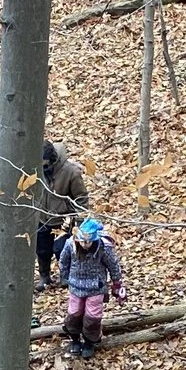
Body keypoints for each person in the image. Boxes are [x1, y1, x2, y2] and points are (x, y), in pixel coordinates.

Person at [57, 217, 125, 357]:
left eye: (89, 242)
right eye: (82, 241)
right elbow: (63, 261)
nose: (85, 244)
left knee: (93, 316)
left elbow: (113, 265)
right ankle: (75, 339)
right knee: (74, 313)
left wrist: (116, 283)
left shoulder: (104, 247)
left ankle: (89, 341)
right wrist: (64, 277)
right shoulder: (70, 244)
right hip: (75, 286)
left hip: (96, 287)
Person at [35, 140, 91, 288]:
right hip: (41, 216)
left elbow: (81, 197)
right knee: (42, 250)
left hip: (64, 218)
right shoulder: (34, 167)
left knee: (61, 249)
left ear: (53, 160)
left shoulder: (71, 172)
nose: (43, 167)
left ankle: (65, 275)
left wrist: (80, 220)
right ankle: (44, 276)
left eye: (45, 165)